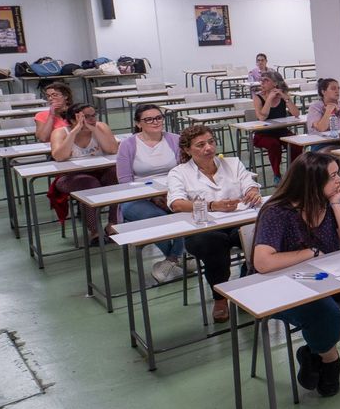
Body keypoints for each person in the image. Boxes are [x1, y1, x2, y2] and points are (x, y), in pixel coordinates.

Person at [251, 151, 340, 398]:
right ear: (312, 182)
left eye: (338, 174)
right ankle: (330, 360)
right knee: (327, 313)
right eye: (333, 176)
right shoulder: (278, 211)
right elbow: (262, 262)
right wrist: (310, 253)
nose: (339, 181)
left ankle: (316, 350)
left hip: (327, 278)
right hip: (281, 286)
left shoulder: (332, 200)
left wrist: (336, 204)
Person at [165, 125, 262, 322]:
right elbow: (176, 203)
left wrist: (252, 191)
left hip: (236, 222)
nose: (208, 148)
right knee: (214, 243)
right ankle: (220, 298)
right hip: (202, 229)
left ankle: (245, 282)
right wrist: (212, 205)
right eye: (200, 145)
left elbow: (248, 183)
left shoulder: (232, 163)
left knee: (259, 233)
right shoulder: (179, 172)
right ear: (187, 149)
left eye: (211, 142)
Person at [115, 102, 191, 283]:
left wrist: (169, 195)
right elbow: (124, 181)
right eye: (148, 119)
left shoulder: (174, 139)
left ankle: (172, 259)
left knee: (185, 211)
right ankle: (176, 256)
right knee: (156, 217)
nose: (155, 122)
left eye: (158, 117)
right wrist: (153, 197)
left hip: (173, 191)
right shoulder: (128, 145)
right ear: (138, 123)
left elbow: (186, 171)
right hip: (137, 197)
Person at [48, 100, 119, 237]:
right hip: (71, 177)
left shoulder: (101, 127)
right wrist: (74, 132)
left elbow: (112, 150)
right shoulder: (60, 133)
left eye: (93, 116)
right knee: (89, 184)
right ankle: (94, 231)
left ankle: (113, 223)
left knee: (117, 175)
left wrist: (94, 130)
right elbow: (59, 157)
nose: (91, 120)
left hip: (101, 172)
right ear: (72, 119)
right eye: (86, 117)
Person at [250, 71, 301, 179]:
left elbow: (296, 114)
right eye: (261, 80)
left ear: (275, 83)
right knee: (274, 145)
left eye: (266, 80)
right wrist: (269, 99)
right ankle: (277, 175)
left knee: (296, 143)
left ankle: (294, 172)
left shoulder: (282, 96)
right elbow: (262, 117)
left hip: (281, 131)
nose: (262, 83)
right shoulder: (258, 97)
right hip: (263, 134)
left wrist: (285, 98)